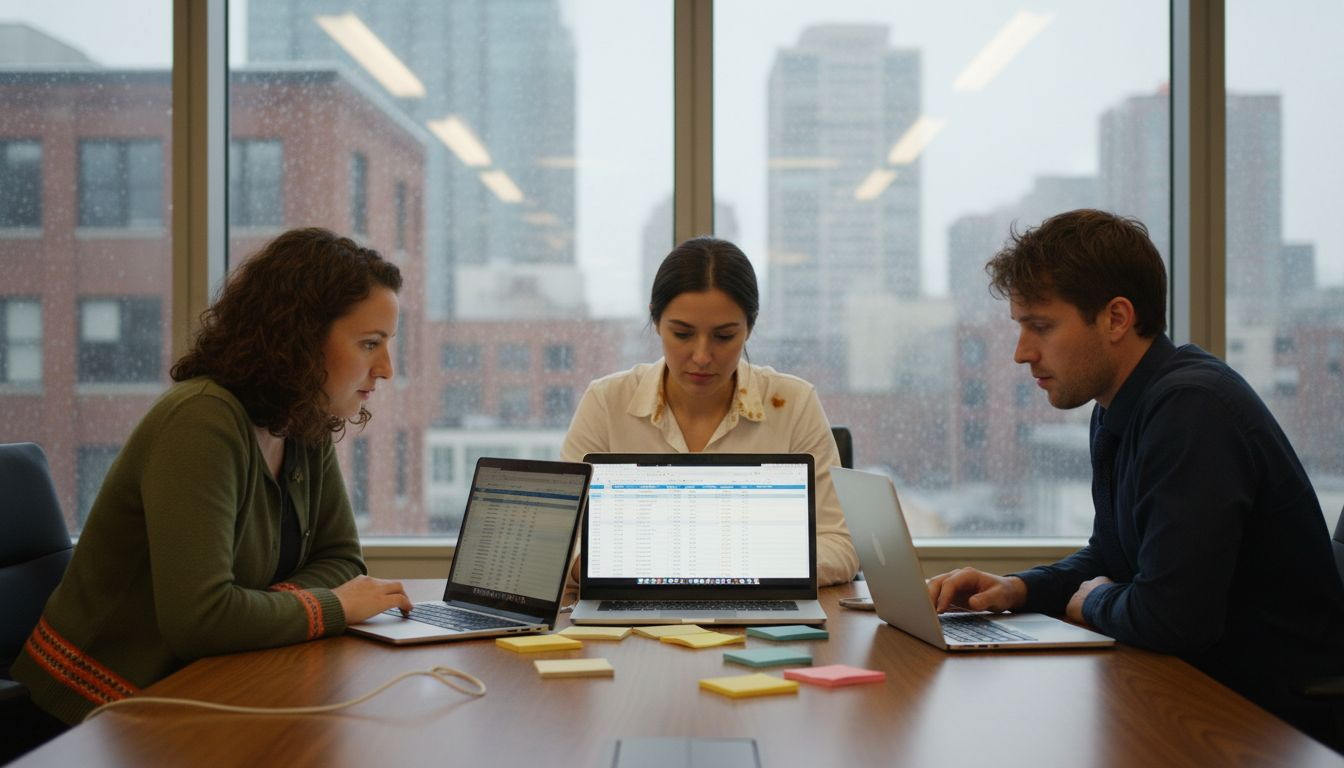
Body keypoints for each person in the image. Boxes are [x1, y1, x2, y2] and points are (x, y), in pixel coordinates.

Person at [926, 209, 1344, 751]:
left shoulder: (1192, 410)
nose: (1021, 352)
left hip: (1268, 720)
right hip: (1202, 685)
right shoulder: (1122, 405)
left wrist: (1092, 603)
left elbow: (1172, 619)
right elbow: (1112, 554)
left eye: (1042, 326)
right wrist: (1022, 588)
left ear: (1117, 318)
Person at [9, 228, 414, 733]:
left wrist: (266, 610)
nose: (386, 369)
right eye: (370, 344)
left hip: (200, 685)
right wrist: (331, 606)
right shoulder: (201, 420)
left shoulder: (301, 418)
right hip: (95, 713)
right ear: (301, 338)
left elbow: (341, 559)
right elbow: (201, 621)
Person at [561, 236, 859, 586]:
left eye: (724, 336)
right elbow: (561, 540)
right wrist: (604, 565)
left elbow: (840, 545)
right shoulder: (606, 402)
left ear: (749, 327)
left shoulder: (793, 403)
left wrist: (729, 568)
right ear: (656, 321)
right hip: (633, 608)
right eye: (682, 334)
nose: (702, 356)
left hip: (756, 609)